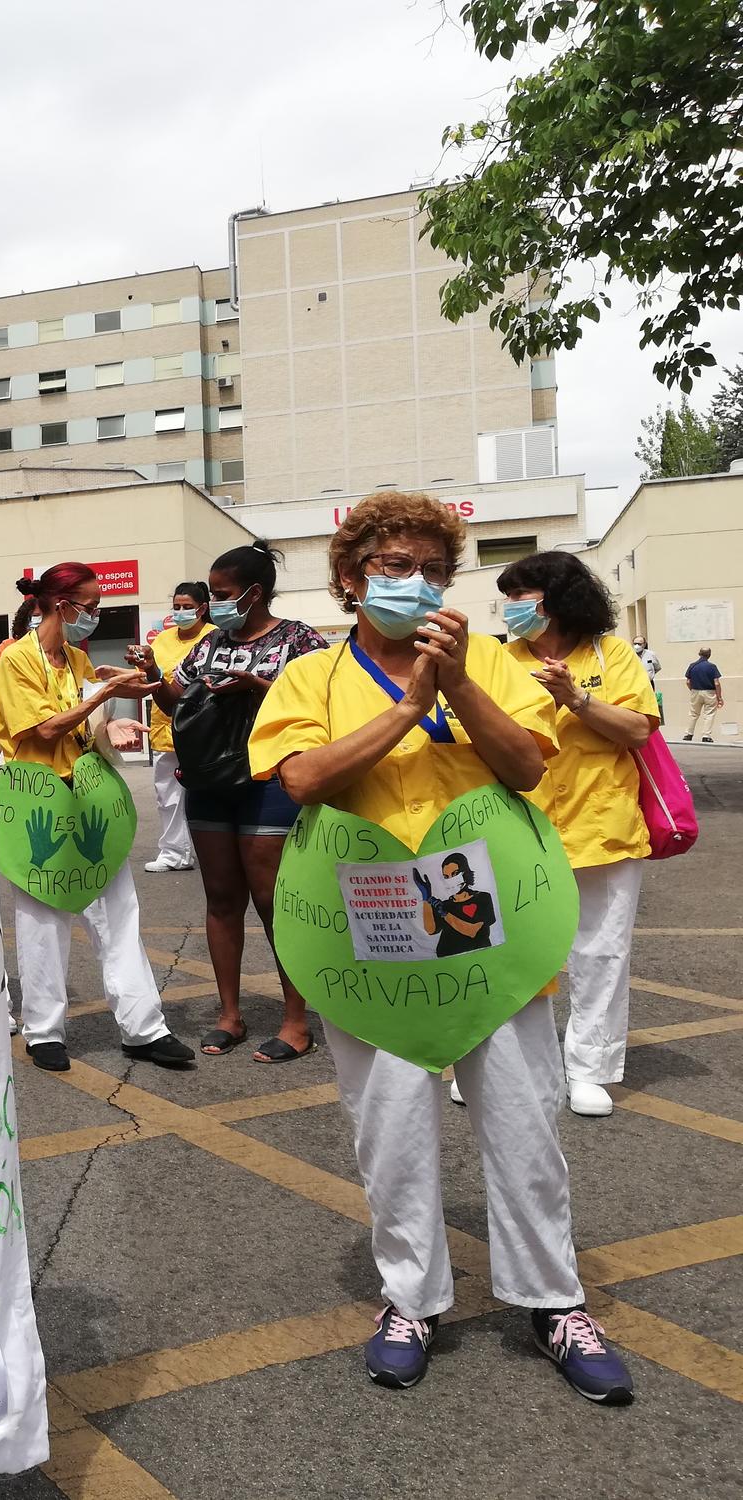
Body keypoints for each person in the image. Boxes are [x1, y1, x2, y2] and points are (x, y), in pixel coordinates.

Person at [249, 490, 633, 1404]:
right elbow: (301, 778)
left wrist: (455, 685)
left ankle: (554, 1301)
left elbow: (531, 765)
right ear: (350, 579)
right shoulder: (311, 677)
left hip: (487, 923)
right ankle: (411, 1299)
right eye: (392, 566)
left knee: (524, 1118)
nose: (414, 582)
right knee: (391, 1127)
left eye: (431, 567)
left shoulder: (494, 662)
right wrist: (405, 708)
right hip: (371, 928)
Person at [0, 562, 196, 1074]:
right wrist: (104, 696)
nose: (96, 615)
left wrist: (118, 718)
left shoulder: (78, 659)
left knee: (119, 914)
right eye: (91, 605)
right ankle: (44, 1032)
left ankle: (144, 1027)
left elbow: (88, 727)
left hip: (89, 801)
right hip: (36, 807)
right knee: (42, 923)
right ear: (61, 606)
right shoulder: (15, 661)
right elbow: (41, 730)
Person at [139, 543, 326, 1063]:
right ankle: (230, 1016)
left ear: (254, 592)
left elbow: (316, 706)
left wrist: (258, 686)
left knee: (273, 902)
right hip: (210, 779)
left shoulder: (299, 639)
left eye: (220, 595)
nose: (210, 606)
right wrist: (155, 680)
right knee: (221, 899)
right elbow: (180, 701)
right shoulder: (210, 643)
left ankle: (295, 1020)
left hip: (269, 780)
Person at [498, 550, 659, 1117]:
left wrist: (577, 698)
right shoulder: (499, 659)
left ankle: (589, 1068)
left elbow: (639, 730)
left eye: (520, 596)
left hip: (602, 823)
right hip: (518, 826)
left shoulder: (610, 654)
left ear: (557, 599)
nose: (510, 608)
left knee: (601, 950)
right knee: (509, 950)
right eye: (509, 597)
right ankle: (495, 1061)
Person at [138, 581, 214, 874]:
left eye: (187, 607)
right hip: (165, 728)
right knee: (168, 795)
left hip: (204, 730)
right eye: (177, 607)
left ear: (202, 608)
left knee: (207, 794)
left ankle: (213, 852)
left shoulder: (215, 637)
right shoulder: (163, 639)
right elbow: (148, 677)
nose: (181, 612)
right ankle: (174, 853)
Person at [683, 647, 722, 743]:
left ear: (699, 653)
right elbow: (716, 683)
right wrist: (719, 697)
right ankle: (706, 735)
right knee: (709, 714)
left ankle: (689, 734)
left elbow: (688, 681)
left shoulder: (692, 665)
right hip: (709, 692)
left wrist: (692, 690)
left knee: (693, 714)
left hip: (695, 691)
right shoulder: (712, 666)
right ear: (709, 655)